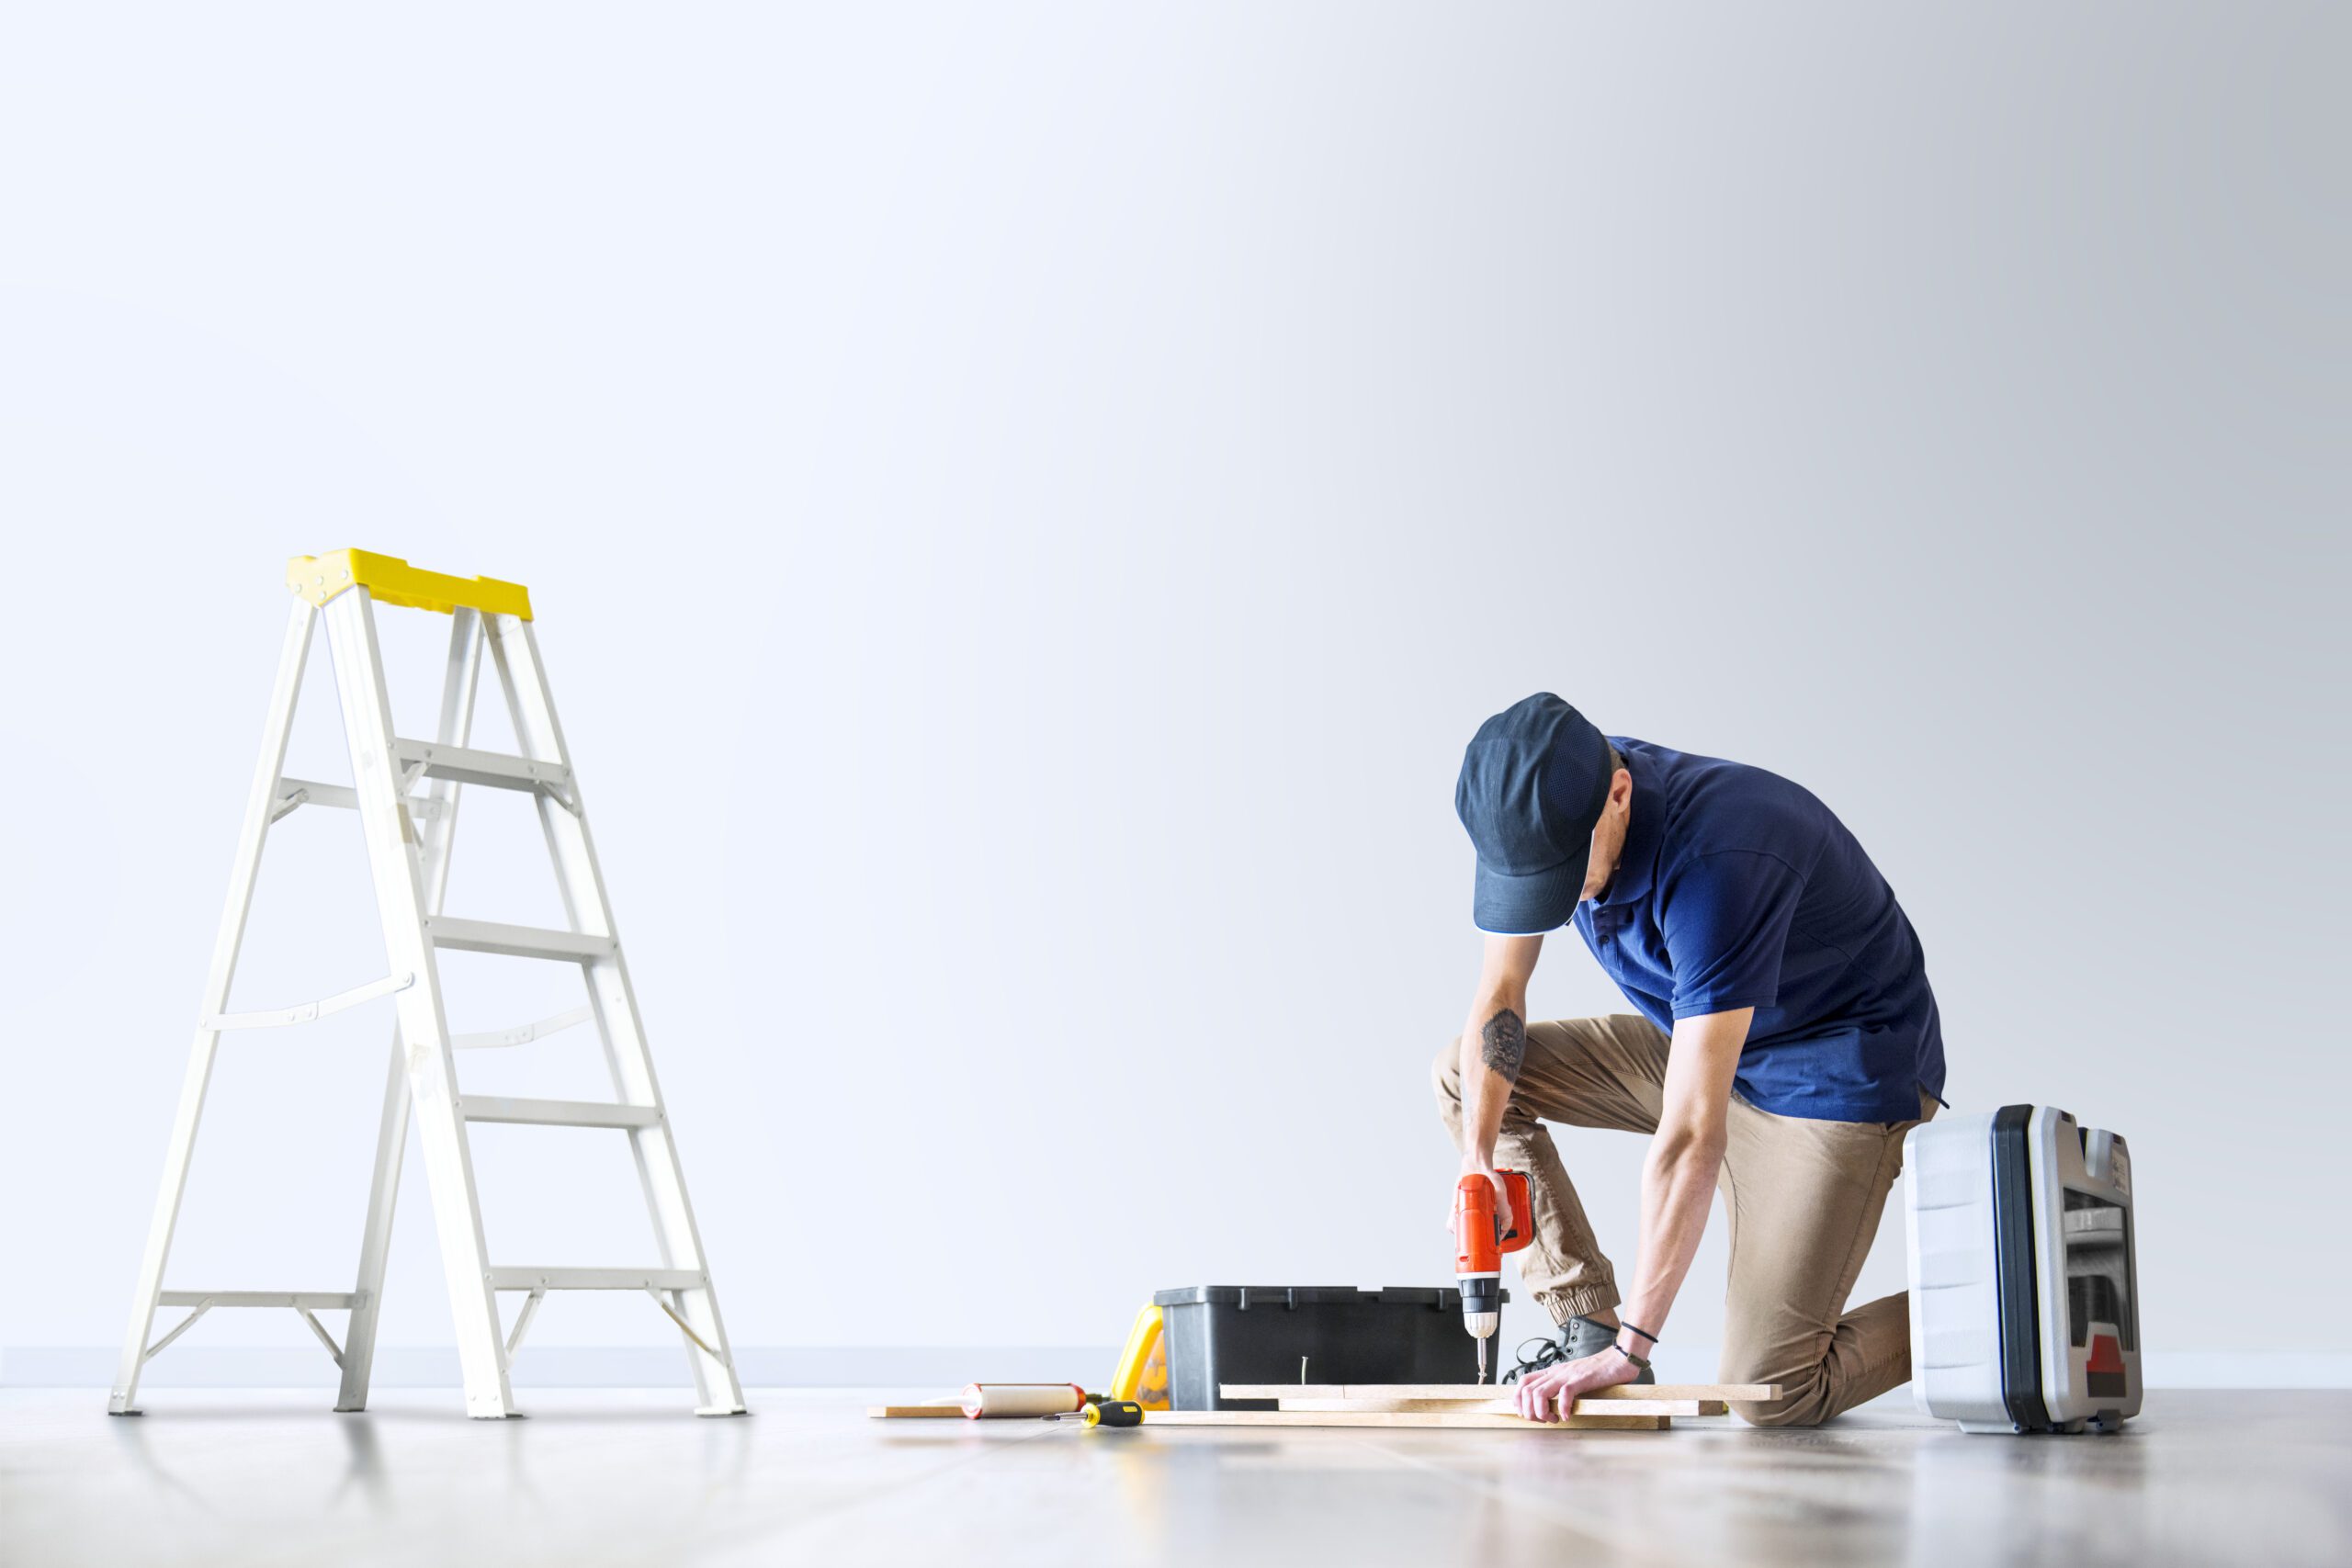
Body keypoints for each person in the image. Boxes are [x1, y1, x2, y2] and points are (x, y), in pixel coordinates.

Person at [1437, 694, 1945, 1426]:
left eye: (1561, 877)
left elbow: (1689, 1135)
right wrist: (1478, 1158)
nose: (1555, 899)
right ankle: (1589, 1324)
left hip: (1834, 1077)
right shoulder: (1551, 799)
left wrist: (1636, 1352)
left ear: (1620, 796)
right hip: (1707, 1039)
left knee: (1772, 1391)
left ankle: (1996, 1286)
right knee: (1466, 1075)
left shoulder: (1722, 859)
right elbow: (1501, 995)